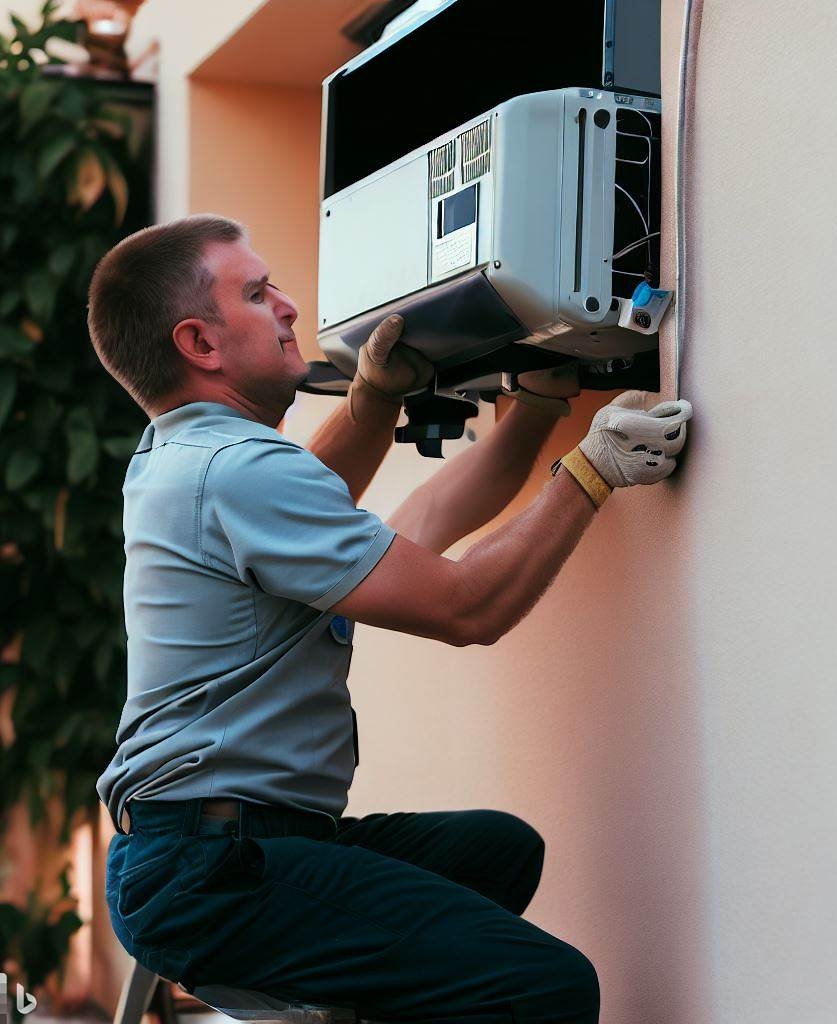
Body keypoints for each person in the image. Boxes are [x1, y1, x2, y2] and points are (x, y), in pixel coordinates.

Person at [88, 214, 692, 1024]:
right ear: (199, 343)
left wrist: (421, 402)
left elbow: (386, 503)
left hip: (197, 853)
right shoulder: (235, 471)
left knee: (494, 853)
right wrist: (592, 470)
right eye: (259, 294)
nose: (289, 306)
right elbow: (467, 605)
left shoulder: (182, 458)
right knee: (545, 986)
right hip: (214, 872)